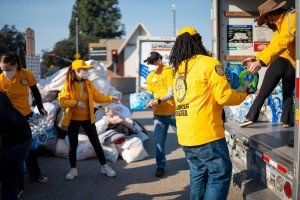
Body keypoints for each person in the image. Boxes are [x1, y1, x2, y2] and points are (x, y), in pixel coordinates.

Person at [169, 27, 250, 200]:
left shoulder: (179, 69)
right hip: (206, 133)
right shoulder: (209, 63)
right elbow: (224, 96)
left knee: (198, 172)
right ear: (198, 41)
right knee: (220, 173)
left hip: (185, 134)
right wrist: (244, 93)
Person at [239, 1, 295, 138]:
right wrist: (256, 58)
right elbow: (273, 46)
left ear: (270, 15)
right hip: (285, 59)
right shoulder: (279, 25)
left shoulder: (293, 18)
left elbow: (283, 42)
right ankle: (253, 115)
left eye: (266, 19)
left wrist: (261, 62)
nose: (267, 23)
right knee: (269, 88)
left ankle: (286, 119)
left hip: (293, 62)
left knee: (287, 91)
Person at [57, 59, 119, 180]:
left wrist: (111, 98)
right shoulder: (68, 85)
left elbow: (98, 97)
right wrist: (75, 103)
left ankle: (105, 166)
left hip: (87, 118)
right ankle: (73, 169)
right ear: (76, 71)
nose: (87, 72)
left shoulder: (89, 83)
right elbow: (63, 101)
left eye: (87, 69)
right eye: (84, 70)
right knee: (73, 145)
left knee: (96, 143)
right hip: (73, 119)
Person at [0, 52, 49, 197]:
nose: (5, 72)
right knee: (16, 155)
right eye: (2, 69)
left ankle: (35, 174)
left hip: (26, 115)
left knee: (29, 147)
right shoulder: (1, 80)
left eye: (8, 69)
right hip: (10, 120)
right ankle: (18, 187)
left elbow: (35, 91)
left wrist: (40, 106)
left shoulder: (25, 74)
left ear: (16, 66)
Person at [144, 52, 177, 177]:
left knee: (184, 140)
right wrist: (147, 101)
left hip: (174, 112)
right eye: (149, 63)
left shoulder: (169, 71)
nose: (151, 64)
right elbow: (150, 95)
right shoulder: (150, 77)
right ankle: (160, 166)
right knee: (159, 142)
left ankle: (193, 163)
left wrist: (158, 100)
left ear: (160, 60)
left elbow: (172, 93)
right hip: (159, 114)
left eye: (153, 62)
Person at [0, 92, 32, 200]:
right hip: (24, 138)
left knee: (9, 179)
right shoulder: (1, 94)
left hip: (7, 143)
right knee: (10, 179)